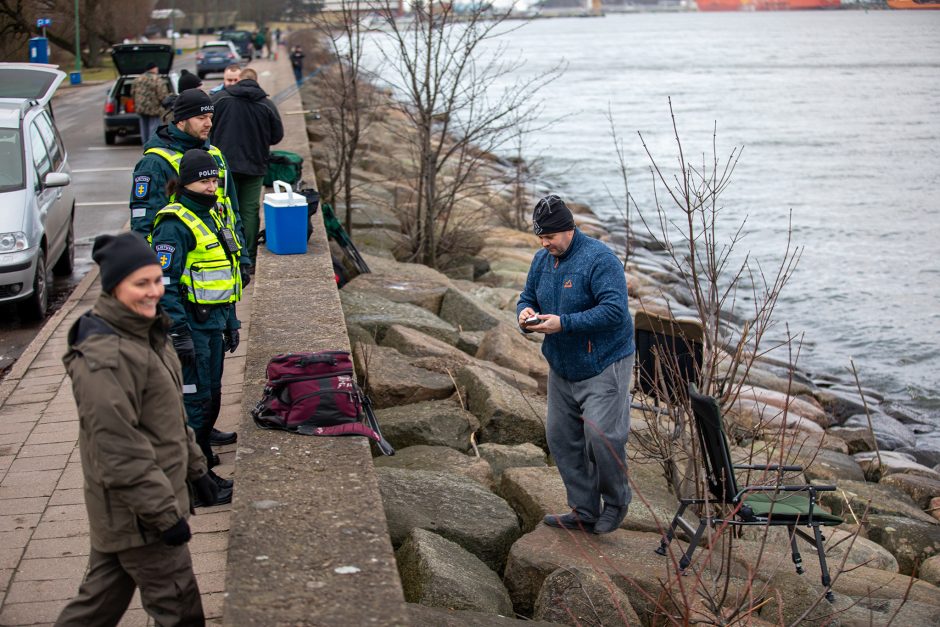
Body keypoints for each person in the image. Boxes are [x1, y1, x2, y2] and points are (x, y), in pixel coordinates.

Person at [55, 232, 219, 626]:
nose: (153, 292)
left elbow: (166, 418)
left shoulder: (145, 330)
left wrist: (197, 469)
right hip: (140, 515)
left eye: (157, 280)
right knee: (180, 610)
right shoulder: (106, 357)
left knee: (97, 606)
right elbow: (118, 450)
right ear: (114, 287)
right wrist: (164, 516)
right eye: (140, 284)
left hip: (135, 506)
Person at [516, 195, 636, 535]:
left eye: (550, 236)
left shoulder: (600, 260)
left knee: (602, 438)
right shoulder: (542, 260)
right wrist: (523, 313)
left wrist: (563, 323)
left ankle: (616, 502)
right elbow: (528, 297)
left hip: (604, 362)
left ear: (568, 228)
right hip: (562, 365)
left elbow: (615, 311)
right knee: (561, 438)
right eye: (540, 236)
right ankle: (584, 510)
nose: (544, 242)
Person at [149, 149, 246, 505]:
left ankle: (203, 471)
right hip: (190, 327)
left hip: (214, 323)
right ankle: (194, 484)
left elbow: (227, 273)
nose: (211, 186)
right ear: (185, 183)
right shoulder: (174, 225)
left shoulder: (213, 213)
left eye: (214, 180)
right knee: (195, 406)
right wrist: (177, 333)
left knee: (212, 399)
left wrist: (232, 321)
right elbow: (163, 284)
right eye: (204, 181)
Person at [210, 67, 284, 269]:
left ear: (239, 80)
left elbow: (207, 127)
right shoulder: (266, 104)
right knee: (250, 210)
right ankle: (249, 257)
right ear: (256, 81)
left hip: (225, 165)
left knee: (225, 208)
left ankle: (227, 252)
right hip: (255, 165)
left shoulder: (220, 100)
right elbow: (277, 136)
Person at [131, 62, 169, 141]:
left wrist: (136, 104)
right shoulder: (157, 79)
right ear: (154, 68)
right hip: (154, 108)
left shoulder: (138, 79)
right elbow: (162, 95)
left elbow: (132, 93)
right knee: (154, 128)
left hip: (140, 107)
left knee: (144, 128)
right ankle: (151, 145)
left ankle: (145, 144)